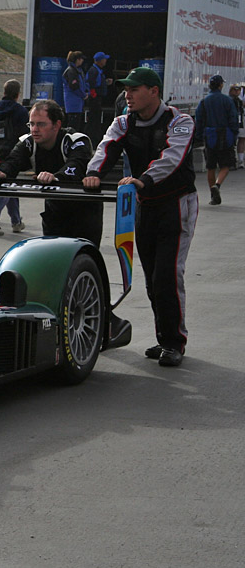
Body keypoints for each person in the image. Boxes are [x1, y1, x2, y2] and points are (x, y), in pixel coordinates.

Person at [83, 67, 197, 368]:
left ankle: (175, 342)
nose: (127, 95)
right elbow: (105, 148)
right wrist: (93, 174)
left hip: (176, 203)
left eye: (134, 89)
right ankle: (164, 338)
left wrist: (142, 179)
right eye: (126, 89)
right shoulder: (123, 121)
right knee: (151, 277)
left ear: (154, 91)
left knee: (168, 275)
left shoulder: (180, 120)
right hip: (144, 204)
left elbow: (173, 157)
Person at [0, 99, 103, 246]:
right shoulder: (28, 142)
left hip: (85, 213)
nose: (34, 129)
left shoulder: (76, 140)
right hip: (54, 209)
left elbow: (76, 165)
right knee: (53, 257)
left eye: (41, 124)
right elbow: (13, 161)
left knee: (84, 259)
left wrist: (56, 177)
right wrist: (1, 173)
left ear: (56, 125)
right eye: (32, 124)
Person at [0, 79, 29, 235]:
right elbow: (24, 135)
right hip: (12, 154)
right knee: (7, 187)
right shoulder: (20, 112)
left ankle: (16, 221)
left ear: (4, 92)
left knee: (10, 186)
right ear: (17, 95)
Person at [195, 74, 238, 205]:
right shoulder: (227, 100)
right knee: (226, 165)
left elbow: (199, 119)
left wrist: (199, 135)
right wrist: (234, 133)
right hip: (225, 136)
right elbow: (233, 118)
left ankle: (213, 196)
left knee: (211, 167)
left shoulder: (204, 101)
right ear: (220, 85)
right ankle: (217, 185)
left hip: (210, 136)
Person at [62, 51, 89, 133]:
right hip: (73, 104)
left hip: (77, 103)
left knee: (77, 125)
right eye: (81, 59)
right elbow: (74, 87)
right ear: (77, 60)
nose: (82, 61)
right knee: (73, 126)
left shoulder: (77, 71)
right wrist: (83, 95)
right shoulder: (71, 71)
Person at [230, 84, 245, 168]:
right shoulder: (229, 100)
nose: (237, 91)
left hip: (240, 122)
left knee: (242, 139)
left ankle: (240, 160)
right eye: (235, 90)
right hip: (233, 124)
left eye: (238, 90)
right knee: (232, 142)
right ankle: (233, 160)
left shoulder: (238, 100)